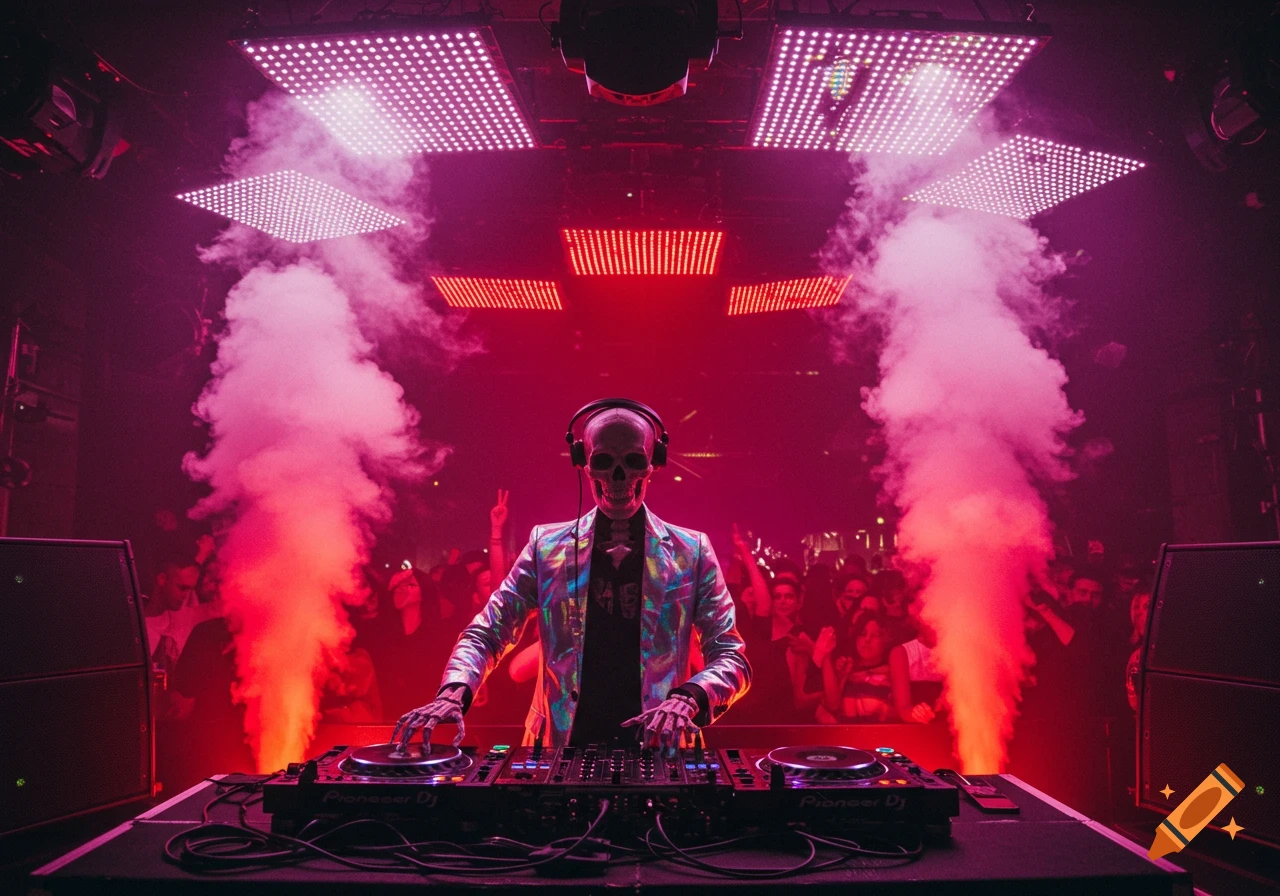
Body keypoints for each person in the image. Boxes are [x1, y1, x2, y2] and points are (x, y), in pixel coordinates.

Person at [392, 399, 750, 752]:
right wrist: (456, 689)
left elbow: (731, 655)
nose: (619, 477)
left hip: (660, 749)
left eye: (633, 461)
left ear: (653, 463)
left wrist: (690, 697)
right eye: (604, 462)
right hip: (560, 749)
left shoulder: (692, 551)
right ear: (583, 463)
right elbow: (488, 630)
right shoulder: (545, 546)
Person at [814, 611, 916, 724]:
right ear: (855, 638)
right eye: (863, 633)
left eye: (875, 635)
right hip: (844, 739)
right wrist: (827, 656)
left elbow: (902, 713)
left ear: (885, 639)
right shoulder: (846, 668)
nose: (867, 639)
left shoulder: (893, 672)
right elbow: (832, 704)